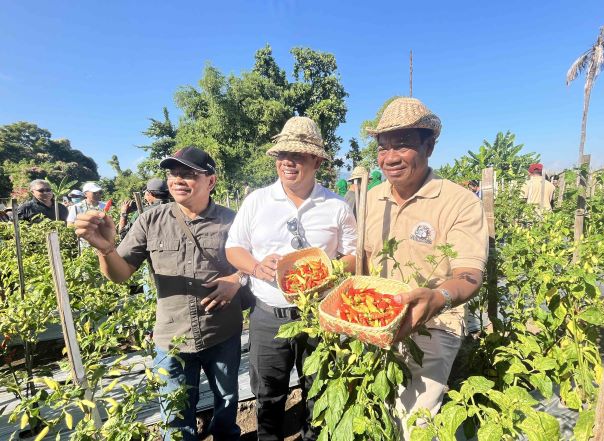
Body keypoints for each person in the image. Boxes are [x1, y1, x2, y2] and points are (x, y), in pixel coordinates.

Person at [73, 146, 244, 441]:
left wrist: (237, 278)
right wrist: (105, 249)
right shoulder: (150, 221)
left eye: (188, 173)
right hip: (172, 337)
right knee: (175, 418)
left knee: (227, 401)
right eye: (173, 173)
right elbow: (120, 273)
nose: (177, 180)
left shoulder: (234, 221)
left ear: (211, 181)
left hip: (222, 332)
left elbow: (256, 265)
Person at [225, 116, 357, 441]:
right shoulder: (257, 200)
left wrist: (328, 270)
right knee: (268, 395)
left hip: (318, 317)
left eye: (297, 155)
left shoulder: (336, 206)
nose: (287, 161)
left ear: (315, 160)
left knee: (318, 390)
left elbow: (354, 255)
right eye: (283, 154)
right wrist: (256, 267)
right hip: (269, 316)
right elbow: (234, 248)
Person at [364, 97, 489, 438]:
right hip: (376, 320)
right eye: (383, 147)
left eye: (402, 146)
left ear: (429, 146)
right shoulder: (370, 198)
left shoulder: (458, 202)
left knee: (415, 424)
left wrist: (438, 298)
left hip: (435, 324)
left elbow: (468, 274)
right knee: (375, 413)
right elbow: (360, 258)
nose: (389, 157)